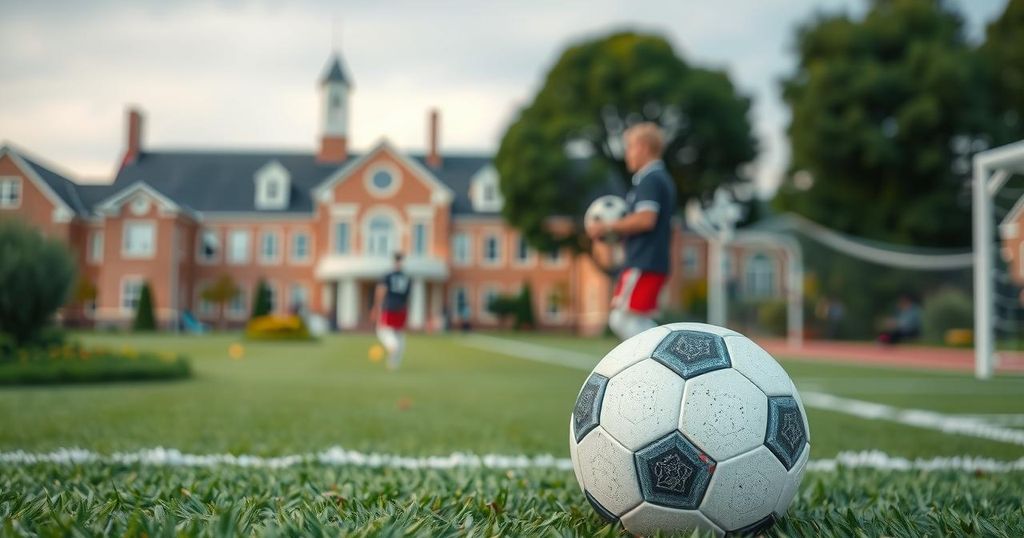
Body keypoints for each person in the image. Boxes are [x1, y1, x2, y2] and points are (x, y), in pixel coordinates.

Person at [586, 122, 677, 340]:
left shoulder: (651, 179)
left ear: (644, 147)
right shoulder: (656, 179)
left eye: (629, 147)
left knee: (620, 319)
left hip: (644, 261)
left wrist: (607, 227)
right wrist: (616, 233)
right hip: (651, 261)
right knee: (637, 320)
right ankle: (664, 358)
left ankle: (663, 362)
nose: (627, 154)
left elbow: (646, 219)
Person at [370, 252, 411, 370]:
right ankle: (394, 362)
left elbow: (381, 290)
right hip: (401, 309)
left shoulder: (388, 276)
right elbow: (407, 296)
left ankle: (392, 347)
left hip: (389, 308)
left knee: (382, 331)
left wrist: (376, 307)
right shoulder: (406, 278)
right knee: (399, 335)